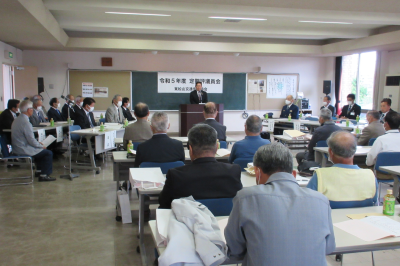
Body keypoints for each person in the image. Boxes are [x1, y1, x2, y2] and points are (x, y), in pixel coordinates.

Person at [224, 142, 335, 266]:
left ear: (257, 171)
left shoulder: (245, 198)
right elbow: (329, 248)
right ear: (293, 174)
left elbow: (235, 250)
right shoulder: (321, 200)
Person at [159, 124, 242, 209]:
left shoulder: (176, 175)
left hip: (188, 221)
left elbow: (163, 202)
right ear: (217, 147)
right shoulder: (233, 171)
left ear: (190, 149)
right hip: (224, 221)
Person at [307, 131, 377, 208]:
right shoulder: (370, 175)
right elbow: (374, 203)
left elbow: (309, 203)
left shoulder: (320, 176)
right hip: (363, 218)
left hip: (331, 219)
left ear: (330, 152)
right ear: (355, 150)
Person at [11, 100, 55, 182]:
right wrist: (41, 145)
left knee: (39, 151)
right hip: (23, 148)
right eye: (31, 108)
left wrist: (38, 145)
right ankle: (44, 175)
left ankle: (39, 171)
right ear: (29, 110)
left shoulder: (17, 119)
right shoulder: (26, 122)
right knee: (48, 153)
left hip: (18, 146)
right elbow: (31, 140)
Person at [366, 112, 400, 200]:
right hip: (398, 172)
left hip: (382, 173)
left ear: (386, 124)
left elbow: (369, 161)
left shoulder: (381, 139)